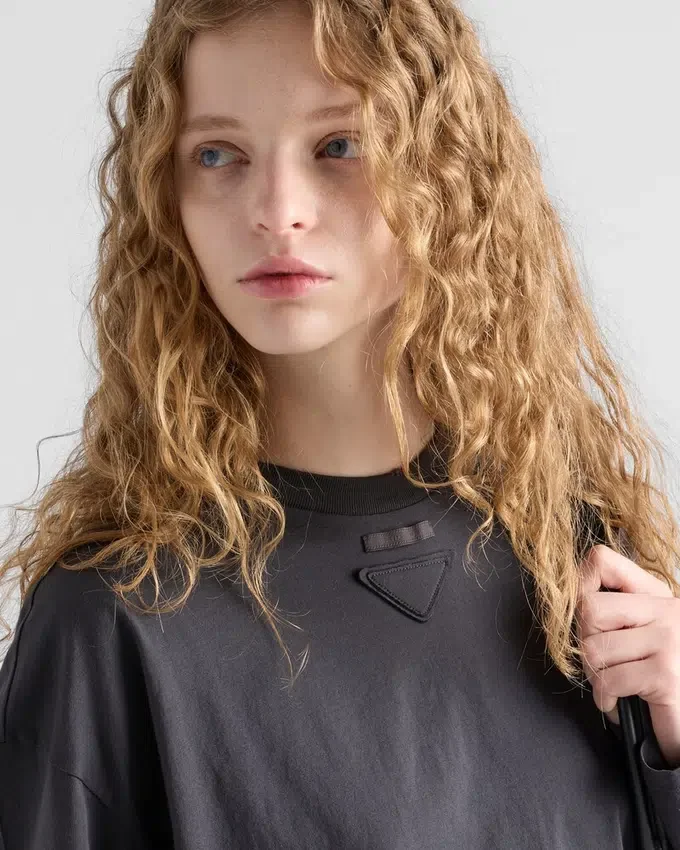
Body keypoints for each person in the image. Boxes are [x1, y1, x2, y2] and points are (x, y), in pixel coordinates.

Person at [0, 0, 679, 847]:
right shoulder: (114, 618)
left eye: (339, 146)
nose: (276, 210)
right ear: (165, 198)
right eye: (217, 154)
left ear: (445, 171)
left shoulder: (577, 558)